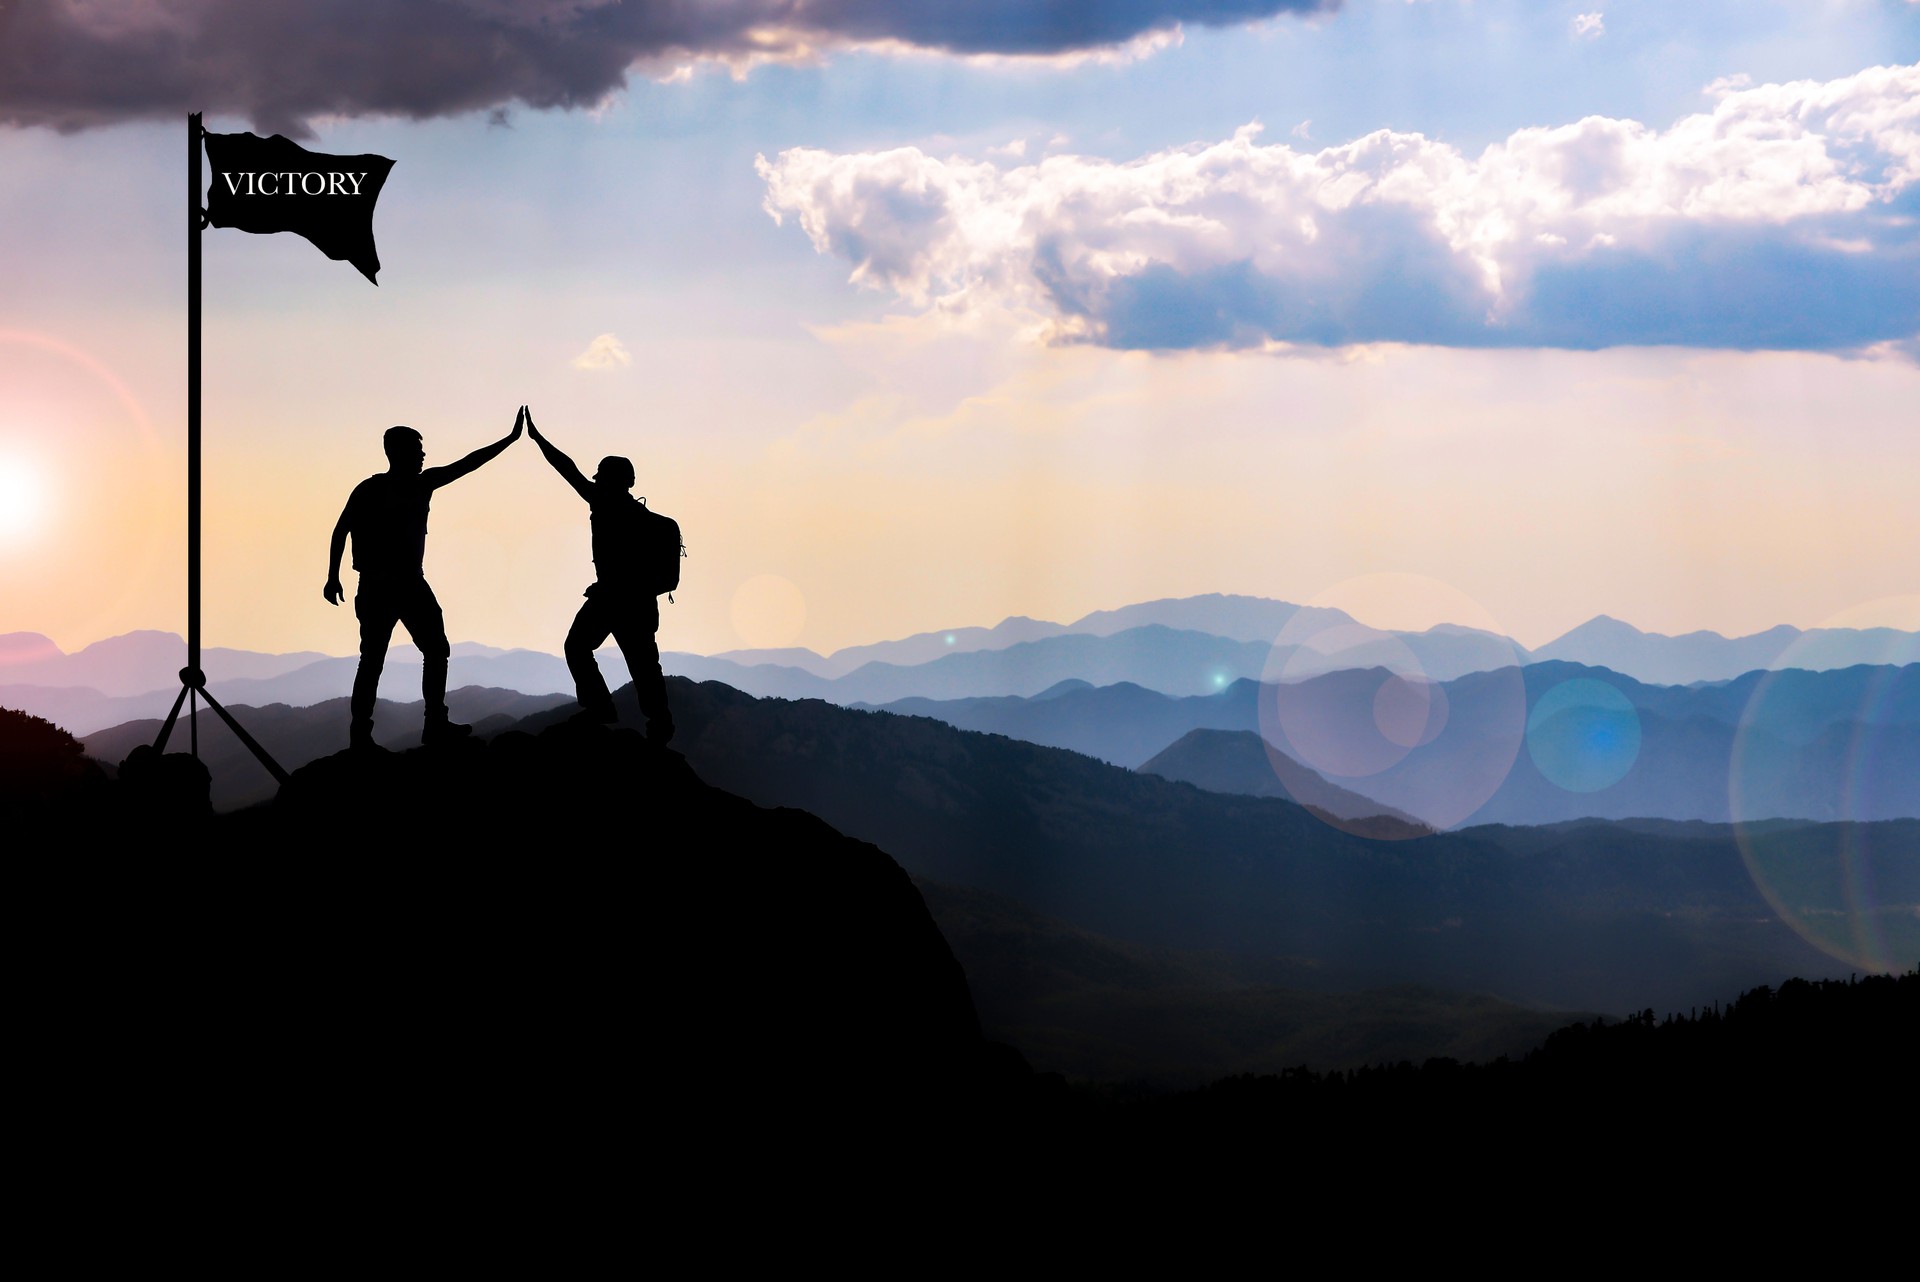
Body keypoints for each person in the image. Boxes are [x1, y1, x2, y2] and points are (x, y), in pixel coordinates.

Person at [325, 410, 522, 750]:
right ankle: (383, 732)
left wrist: (508, 440)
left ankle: (425, 725)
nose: (423, 455)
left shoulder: (410, 485)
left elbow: (467, 464)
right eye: (417, 449)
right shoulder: (382, 488)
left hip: (400, 584)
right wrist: (331, 577)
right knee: (380, 658)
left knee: (419, 652)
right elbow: (341, 529)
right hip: (386, 585)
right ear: (397, 452)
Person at [524, 407, 676, 745]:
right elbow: (668, 580)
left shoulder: (605, 506)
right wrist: (538, 439)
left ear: (610, 482)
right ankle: (654, 724)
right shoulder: (655, 524)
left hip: (612, 599)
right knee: (641, 666)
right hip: (628, 602)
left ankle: (606, 709)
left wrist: (538, 439)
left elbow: (569, 471)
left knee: (591, 651)